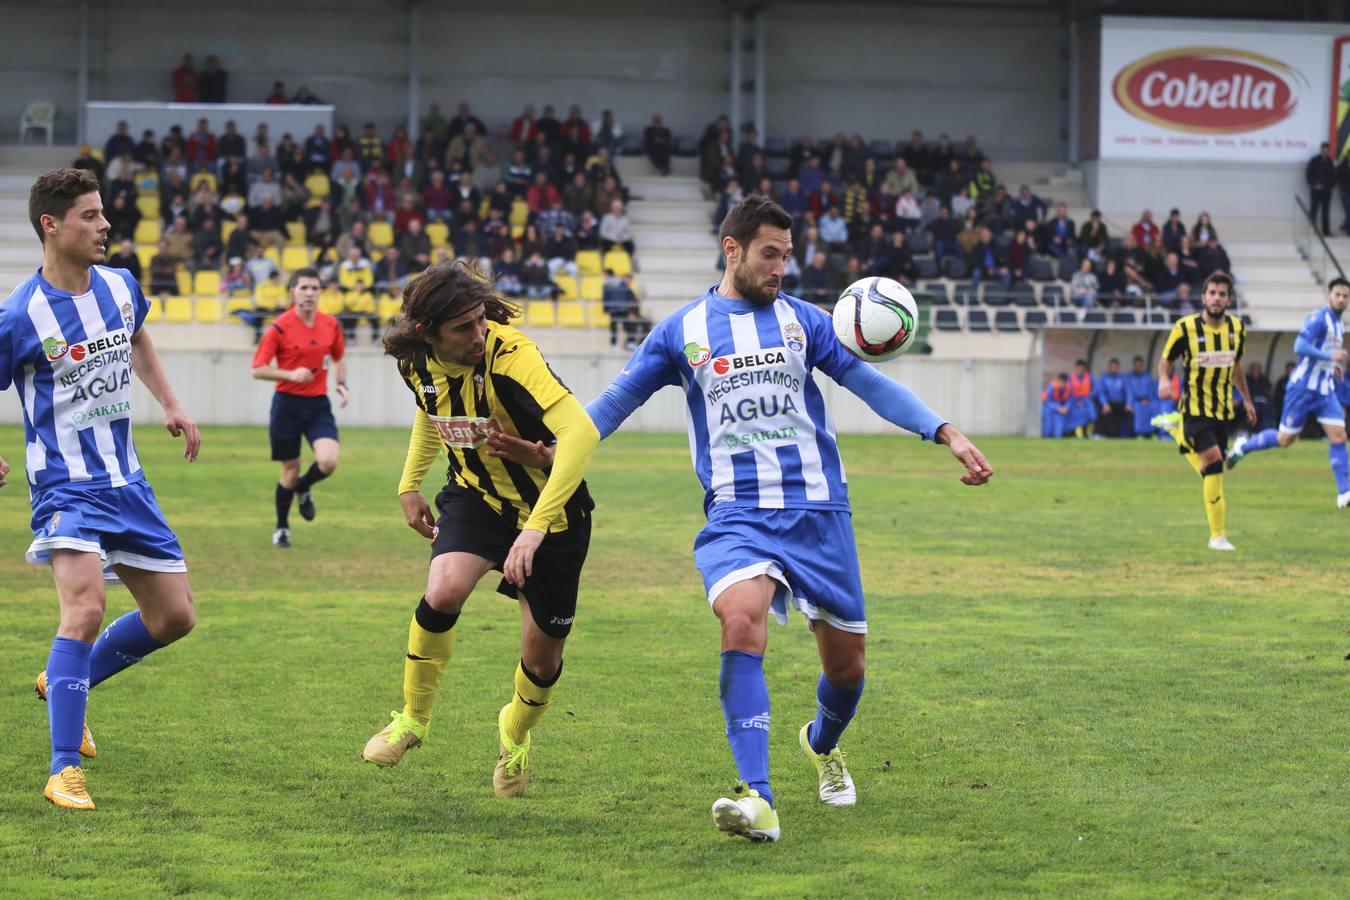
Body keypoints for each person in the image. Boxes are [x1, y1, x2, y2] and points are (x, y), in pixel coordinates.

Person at [491, 196, 992, 841]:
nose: (781, 267)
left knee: (847, 670)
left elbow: (869, 384)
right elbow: (616, 400)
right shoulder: (682, 331)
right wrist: (563, 446)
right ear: (732, 250)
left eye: (787, 254)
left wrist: (943, 430)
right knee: (739, 620)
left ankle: (820, 743)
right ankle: (757, 797)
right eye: (769, 254)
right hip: (737, 514)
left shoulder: (805, 323)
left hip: (818, 512)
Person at [360, 262, 600, 802]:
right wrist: (409, 484)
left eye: (480, 321)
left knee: (542, 662)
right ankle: (412, 722)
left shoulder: (512, 354)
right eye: (464, 328)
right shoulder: (414, 360)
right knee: (442, 590)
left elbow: (581, 433)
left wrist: (535, 530)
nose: (479, 334)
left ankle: (513, 737)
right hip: (478, 497)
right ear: (427, 333)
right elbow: (431, 408)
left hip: (553, 517)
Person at [1, 168, 201, 810]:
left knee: (174, 618)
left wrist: (169, 401)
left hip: (128, 481)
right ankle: (63, 770)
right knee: (83, 612)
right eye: (89, 216)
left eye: (104, 214)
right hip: (65, 485)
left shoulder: (118, 284)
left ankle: (65, 679)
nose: (105, 225)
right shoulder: (18, 315)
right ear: (50, 226)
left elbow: (137, 331)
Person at [1154, 272, 1257, 550]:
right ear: (1203, 297)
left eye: (1222, 294)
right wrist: (1164, 379)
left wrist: (1246, 399)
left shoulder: (1237, 328)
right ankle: (1217, 537)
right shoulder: (1185, 327)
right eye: (1212, 292)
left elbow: (1236, 367)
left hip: (1223, 410)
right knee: (1213, 460)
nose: (1216, 298)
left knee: (1211, 468)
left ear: (1228, 299)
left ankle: (1177, 434)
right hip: (1195, 409)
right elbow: (1166, 361)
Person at [1226, 278, 1348, 508]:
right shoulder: (1318, 318)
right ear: (1328, 296)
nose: (1341, 299)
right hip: (1302, 388)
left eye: (1345, 296)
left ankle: (1344, 493)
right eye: (1338, 295)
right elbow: (1299, 347)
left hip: (1324, 390)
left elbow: (1326, 352)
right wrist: (1329, 358)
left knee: (1339, 435)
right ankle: (1243, 445)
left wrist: (1333, 367)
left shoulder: (1339, 324)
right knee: (1285, 439)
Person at [249, 269, 349, 548]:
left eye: (314, 288)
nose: (309, 293)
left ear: (320, 292)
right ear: (292, 292)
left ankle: (304, 487)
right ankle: (282, 527)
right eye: (303, 288)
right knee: (289, 472)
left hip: (318, 405)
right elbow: (258, 369)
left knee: (328, 462)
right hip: (287, 406)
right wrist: (289, 375)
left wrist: (342, 384)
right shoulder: (279, 327)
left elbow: (339, 358)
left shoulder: (331, 324)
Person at [1307, 142, 1336, 237]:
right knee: (1314, 210)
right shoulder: (1314, 160)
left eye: (1327, 150)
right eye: (1324, 150)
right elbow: (1309, 173)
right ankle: (1312, 231)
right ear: (1321, 150)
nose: (1325, 152)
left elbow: (1333, 175)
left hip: (1327, 191)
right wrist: (1312, 185)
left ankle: (1326, 231)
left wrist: (1331, 186)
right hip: (1316, 190)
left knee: (1326, 211)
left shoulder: (1330, 161)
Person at [1095, 358, 1129, 437]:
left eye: (1115, 367)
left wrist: (1128, 404)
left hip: (1120, 403)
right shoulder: (1104, 378)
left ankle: (1131, 435)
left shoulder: (1122, 378)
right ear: (1109, 367)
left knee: (1130, 412)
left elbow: (1128, 392)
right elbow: (1101, 392)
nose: (1114, 369)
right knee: (1102, 412)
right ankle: (1098, 434)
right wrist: (1105, 404)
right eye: (1112, 367)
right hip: (1109, 403)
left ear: (1118, 368)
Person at [1126, 355, 1157, 439]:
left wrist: (1148, 399)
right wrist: (1129, 404)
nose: (1138, 367)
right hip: (1136, 402)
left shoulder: (1148, 377)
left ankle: (1152, 433)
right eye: (1136, 366)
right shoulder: (1130, 378)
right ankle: (1138, 433)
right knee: (1136, 409)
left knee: (1155, 407)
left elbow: (1153, 391)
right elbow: (1129, 393)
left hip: (1148, 401)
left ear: (1142, 366)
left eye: (1139, 366)